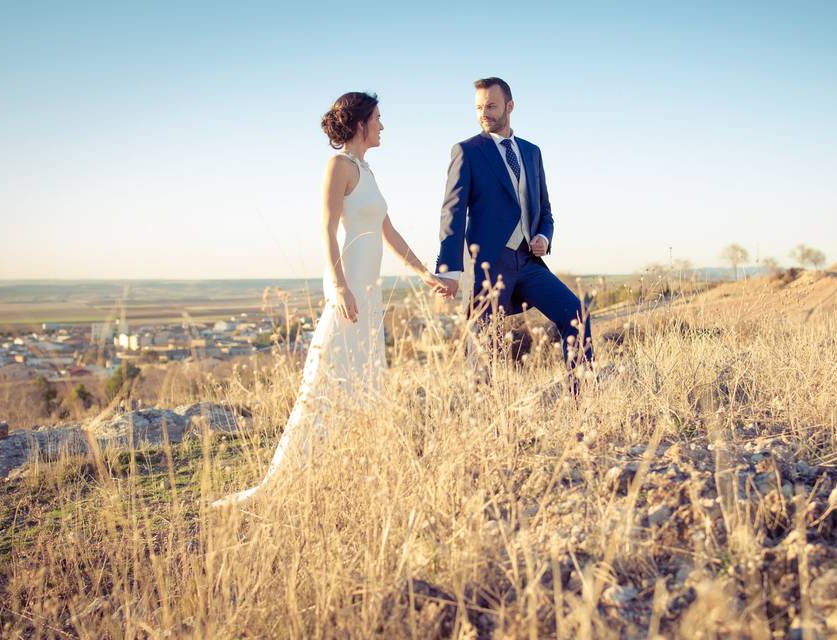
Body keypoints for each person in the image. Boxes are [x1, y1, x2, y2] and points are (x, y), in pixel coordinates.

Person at [212, 92, 446, 508]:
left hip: (370, 292)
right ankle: (289, 473)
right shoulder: (338, 165)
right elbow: (326, 226)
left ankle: (355, 467)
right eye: (377, 118)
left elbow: (388, 233)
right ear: (359, 123)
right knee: (326, 377)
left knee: (366, 377)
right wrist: (339, 286)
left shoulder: (367, 171)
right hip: (348, 288)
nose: (382, 126)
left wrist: (424, 273)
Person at [434, 77, 592, 391]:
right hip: (489, 265)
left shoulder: (532, 152)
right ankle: (484, 418)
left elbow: (545, 209)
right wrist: (448, 269)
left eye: (491, 106)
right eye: (479, 107)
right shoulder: (467, 151)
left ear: (510, 106)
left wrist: (544, 238)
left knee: (577, 314)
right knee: (485, 344)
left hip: (528, 262)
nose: (484, 113)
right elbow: (451, 211)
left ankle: (582, 399)